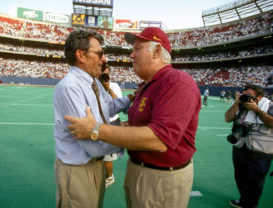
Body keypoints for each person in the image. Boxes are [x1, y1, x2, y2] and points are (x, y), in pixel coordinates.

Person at [65, 27, 201, 208]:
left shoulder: (176, 82)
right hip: (142, 170)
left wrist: (95, 129)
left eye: (137, 48)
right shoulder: (149, 85)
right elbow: (140, 125)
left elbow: (159, 139)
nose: (131, 55)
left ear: (157, 51)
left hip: (160, 176)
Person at [53, 30, 133, 208]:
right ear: (80, 55)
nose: (104, 59)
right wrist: (134, 134)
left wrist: (131, 98)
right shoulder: (70, 87)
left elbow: (109, 106)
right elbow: (92, 145)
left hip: (96, 165)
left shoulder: (94, 81)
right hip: (79, 169)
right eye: (99, 53)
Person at [225, 84, 273, 208]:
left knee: (255, 183)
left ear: (260, 97)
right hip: (240, 147)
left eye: (250, 96)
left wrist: (257, 110)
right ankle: (244, 201)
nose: (246, 99)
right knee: (240, 178)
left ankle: (250, 205)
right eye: (244, 95)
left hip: (261, 152)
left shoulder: (269, 106)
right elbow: (227, 118)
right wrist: (236, 103)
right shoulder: (240, 105)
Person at [99, 64, 123, 188]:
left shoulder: (114, 86)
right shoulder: (93, 86)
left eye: (106, 74)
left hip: (111, 123)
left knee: (107, 157)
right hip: (97, 123)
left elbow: (120, 105)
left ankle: (109, 177)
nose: (104, 76)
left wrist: (108, 89)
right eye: (102, 73)